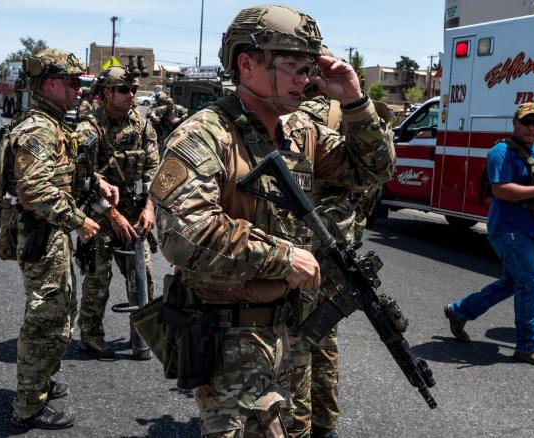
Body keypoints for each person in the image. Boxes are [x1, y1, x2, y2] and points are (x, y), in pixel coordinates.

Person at [149, 5, 394, 437]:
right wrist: (284, 257)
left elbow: (371, 170)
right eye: (292, 66)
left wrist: (355, 101)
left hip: (292, 332)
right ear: (247, 63)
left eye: (308, 67)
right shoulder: (206, 133)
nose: (305, 77)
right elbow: (182, 232)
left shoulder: (301, 130)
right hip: (233, 337)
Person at [285, 77, 393, 438]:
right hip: (341, 241)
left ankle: (295, 424)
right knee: (324, 335)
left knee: (297, 341)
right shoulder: (368, 115)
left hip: (304, 244)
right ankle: (324, 421)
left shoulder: (299, 117)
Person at [5, 49, 106, 430]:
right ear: (50, 84)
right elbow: (34, 191)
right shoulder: (37, 129)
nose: (79, 89)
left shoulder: (54, 124)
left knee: (62, 309)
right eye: (73, 82)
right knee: (46, 319)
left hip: (52, 232)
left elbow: (65, 175)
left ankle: (41, 381)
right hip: (41, 234)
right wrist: (79, 220)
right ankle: (28, 404)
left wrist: (99, 184)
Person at [443, 102, 534, 369]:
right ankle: (528, 347)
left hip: (527, 230)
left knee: (512, 282)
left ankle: (459, 311)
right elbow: (500, 190)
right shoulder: (501, 151)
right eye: (526, 122)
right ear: (515, 123)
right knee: (531, 285)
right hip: (509, 230)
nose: (531, 128)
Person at [74, 65, 160, 359]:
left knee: (144, 277)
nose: (131, 95)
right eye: (124, 90)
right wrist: (113, 215)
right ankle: (92, 336)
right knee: (98, 279)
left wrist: (149, 210)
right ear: (107, 93)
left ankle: (144, 338)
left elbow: (155, 172)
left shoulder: (143, 126)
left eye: (134, 90)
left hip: (137, 216)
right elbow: (82, 178)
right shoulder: (89, 127)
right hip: (101, 214)